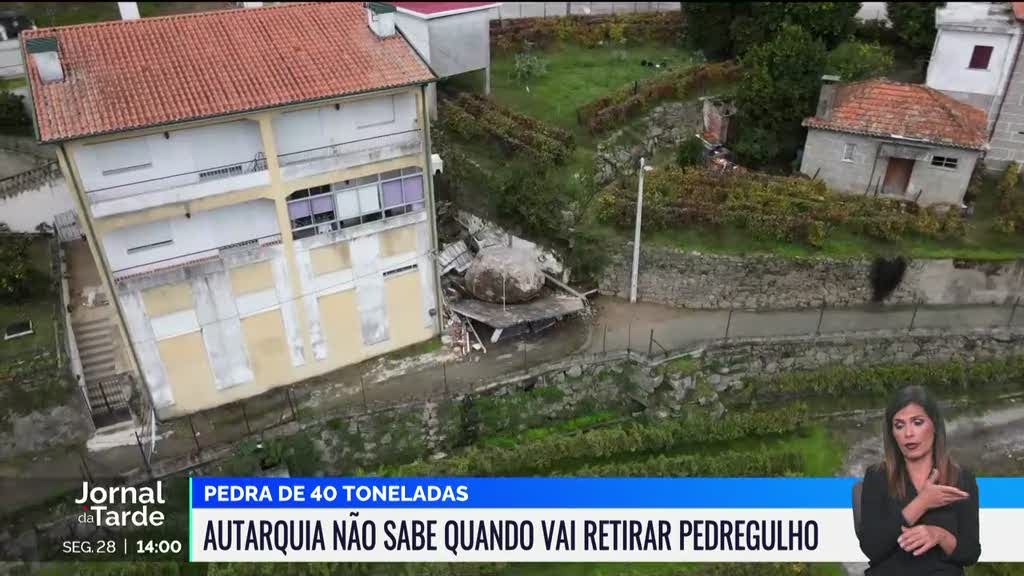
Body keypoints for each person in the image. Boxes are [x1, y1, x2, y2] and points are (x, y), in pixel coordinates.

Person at [858, 385, 980, 575]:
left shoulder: (961, 479)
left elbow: (970, 553)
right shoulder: (876, 477)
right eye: (899, 425)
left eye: (917, 422)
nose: (908, 434)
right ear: (892, 433)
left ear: (935, 426)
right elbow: (872, 548)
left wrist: (940, 535)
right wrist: (922, 503)